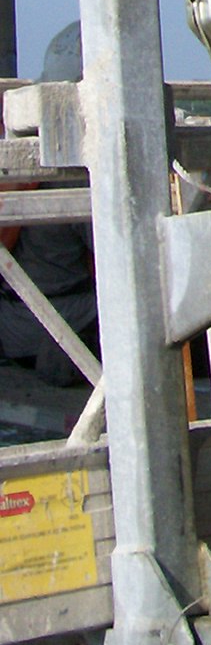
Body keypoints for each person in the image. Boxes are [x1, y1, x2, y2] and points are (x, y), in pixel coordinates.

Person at [0, 24, 97, 387]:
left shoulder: (22, 157)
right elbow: (117, 260)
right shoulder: (71, 174)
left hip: (14, 324)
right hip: (54, 325)